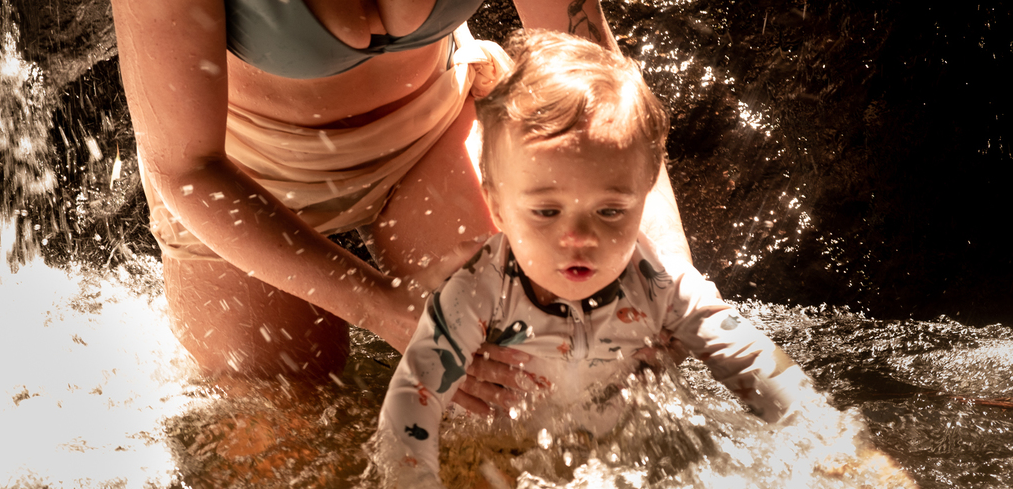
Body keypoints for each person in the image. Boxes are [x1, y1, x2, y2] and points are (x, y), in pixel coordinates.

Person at [110, 0, 692, 412]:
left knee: (534, 375)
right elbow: (185, 169)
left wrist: (669, 272)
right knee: (281, 437)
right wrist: (385, 311)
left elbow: (604, 87)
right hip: (244, 180)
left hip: (431, 133)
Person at [373, 30, 820, 489]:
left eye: (610, 211)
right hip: (501, 468)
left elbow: (747, 355)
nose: (579, 237)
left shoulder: (656, 281)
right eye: (547, 212)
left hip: (628, 464)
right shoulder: (479, 291)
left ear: (643, 196)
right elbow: (412, 395)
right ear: (498, 208)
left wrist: (824, 439)